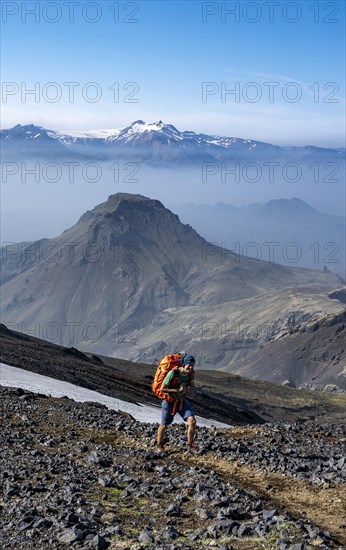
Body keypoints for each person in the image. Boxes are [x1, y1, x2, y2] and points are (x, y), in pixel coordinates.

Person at [157, 355, 199, 454]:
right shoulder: (173, 373)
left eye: (192, 365)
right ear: (184, 364)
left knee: (192, 421)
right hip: (169, 401)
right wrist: (177, 389)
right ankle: (159, 444)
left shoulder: (189, 374)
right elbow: (162, 388)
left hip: (181, 401)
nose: (191, 368)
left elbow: (188, 383)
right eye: (189, 365)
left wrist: (190, 384)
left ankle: (190, 444)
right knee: (164, 425)